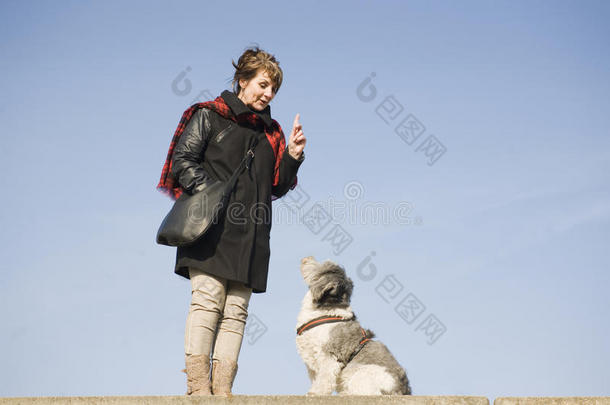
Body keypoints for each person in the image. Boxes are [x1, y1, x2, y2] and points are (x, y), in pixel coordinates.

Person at [157, 46, 306, 396]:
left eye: (273, 90)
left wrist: (294, 156)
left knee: (236, 312)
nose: (268, 94)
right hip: (210, 228)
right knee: (207, 300)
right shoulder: (208, 115)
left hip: (252, 233)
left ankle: (222, 393)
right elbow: (183, 160)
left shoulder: (272, 132)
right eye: (263, 85)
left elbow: (278, 186)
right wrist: (212, 196)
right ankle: (198, 390)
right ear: (242, 81)